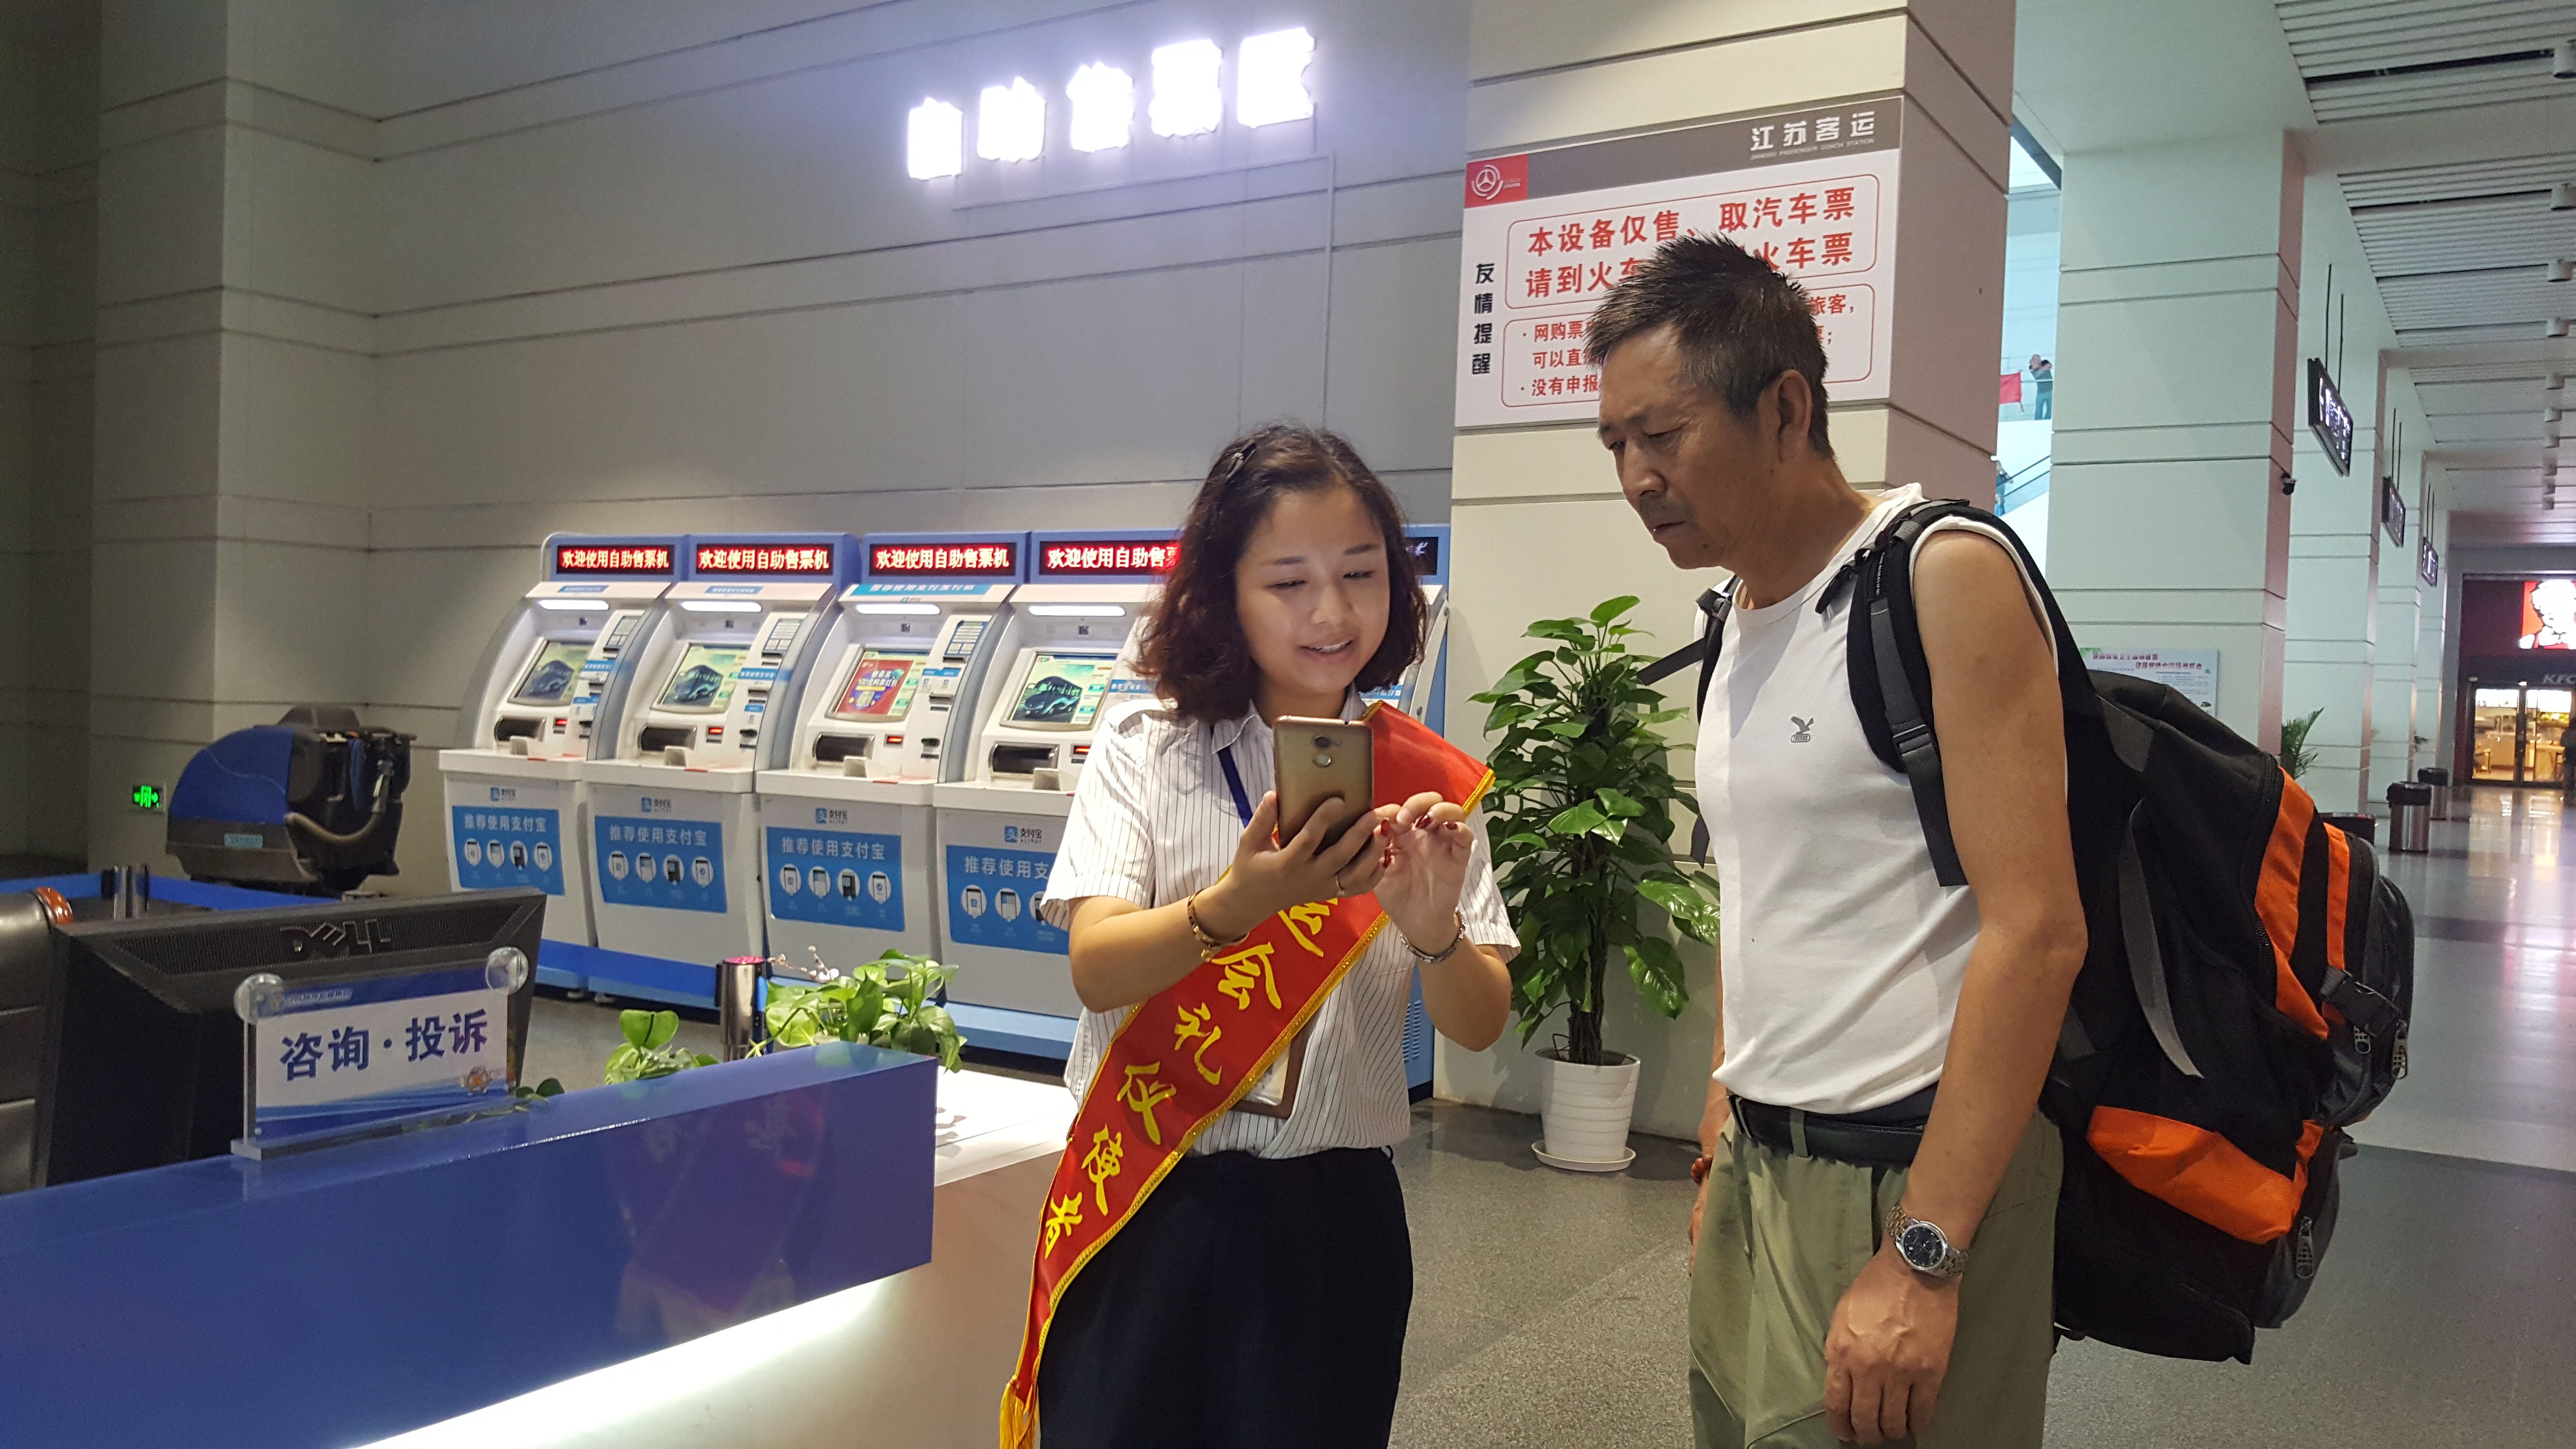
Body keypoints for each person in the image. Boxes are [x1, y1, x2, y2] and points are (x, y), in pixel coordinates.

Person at [1588, 236, 2089, 1448]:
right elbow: (1760, 890)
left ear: (1783, 408)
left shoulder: (1940, 576)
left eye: (1662, 435)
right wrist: (1724, 1105)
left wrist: (1925, 1250)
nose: (1637, 477)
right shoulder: (1733, 617)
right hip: (1763, 1160)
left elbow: (2037, 931)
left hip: (1909, 1173)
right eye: (1614, 447)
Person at [1018, 423, 1519, 1449]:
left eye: (1361, 573)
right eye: (1288, 582)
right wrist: (1236, 905)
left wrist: (1432, 932)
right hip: (1150, 1194)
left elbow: (1478, 1024)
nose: (1331, 612)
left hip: (1330, 1225)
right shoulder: (1147, 749)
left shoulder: (1428, 785)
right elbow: (1096, 968)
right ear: (1223, 594)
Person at [2028, 354, 2052, 420]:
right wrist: (2042, 369)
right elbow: (2037, 375)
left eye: (2037, 359)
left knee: (2050, 409)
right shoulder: (2031, 368)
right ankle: (2037, 422)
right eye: (2034, 359)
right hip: (2040, 393)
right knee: (2039, 410)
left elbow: (2049, 365)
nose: (2036, 361)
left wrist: (2041, 369)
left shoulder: (2045, 362)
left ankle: (2047, 420)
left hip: (2051, 391)